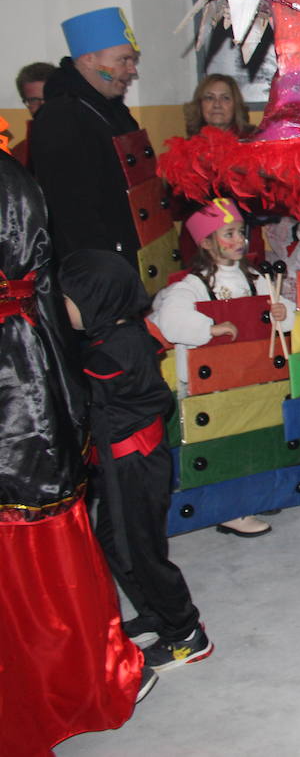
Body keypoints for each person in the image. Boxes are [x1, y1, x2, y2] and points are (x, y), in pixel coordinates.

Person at [0, 149, 151, 754]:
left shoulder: (115, 350)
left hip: (22, 393)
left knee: (130, 537)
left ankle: (175, 630)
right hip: (36, 380)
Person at [60, 249, 213, 672]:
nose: (63, 308)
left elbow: (77, 386)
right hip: (121, 464)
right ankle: (155, 613)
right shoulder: (114, 334)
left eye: (68, 299)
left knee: (141, 551)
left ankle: (185, 632)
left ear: (97, 299)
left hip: (135, 463)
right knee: (114, 540)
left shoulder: (116, 350)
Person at [147, 199, 293, 538]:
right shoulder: (193, 284)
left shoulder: (254, 277)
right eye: (229, 233)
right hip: (212, 384)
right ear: (206, 242)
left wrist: (284, 312)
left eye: (241, 232)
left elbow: (279, 305)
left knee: (254, 436)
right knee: (223, 446)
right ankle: (231, 508)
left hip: (250, 375)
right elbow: (169, 318)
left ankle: (255, 490)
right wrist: (208, 328)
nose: (239, 240)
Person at [28, 8, 144, 269]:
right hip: (102, 266)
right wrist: (107, 275)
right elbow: (73, 214)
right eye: (123, 60)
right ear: (90, 59)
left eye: (133, 60)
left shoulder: (113, 110)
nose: (131, 70)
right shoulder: (61, 118)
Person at [10, 60, 56, 168]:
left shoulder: (85, 141)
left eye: (48, 98)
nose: (42, 105)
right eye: (34, 100)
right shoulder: (20, 154)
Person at [184, 73, 253, 137]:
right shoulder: (186, 147)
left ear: (236, 105)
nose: (217, 105)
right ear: (199, 105)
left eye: (225, 98)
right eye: (210, 98)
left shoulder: (254, 142)